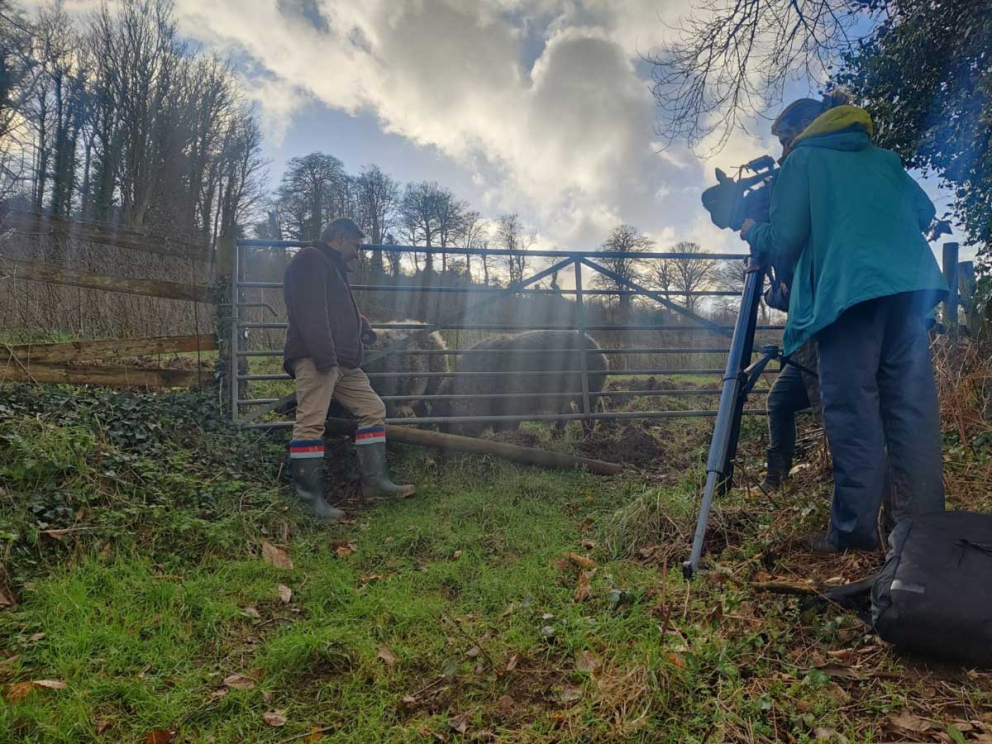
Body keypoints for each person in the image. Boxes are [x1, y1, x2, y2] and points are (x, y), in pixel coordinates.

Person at [741, 92, 947, 553]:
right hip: (909, 293)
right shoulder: (886, 159)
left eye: (785, 139)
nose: (783, 151)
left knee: (854, 415)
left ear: (804, 131)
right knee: (911, 415)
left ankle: (854, 538)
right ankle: (920, 536)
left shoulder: (806, 161)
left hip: (848, 298)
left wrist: (751, 229)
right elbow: (923, 212)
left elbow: (785, 238)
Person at [283, 217, 416, 519]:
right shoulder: (311, 259)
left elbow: (335, 310)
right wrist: (324, 357)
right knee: (311, 422)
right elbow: (311, 311)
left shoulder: (332, 267)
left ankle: (375, 483)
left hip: (342, 362)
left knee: (373, 409)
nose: (359, 252)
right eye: (356, 245)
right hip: (319, 358)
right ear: (340, 238)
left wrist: (361, 328)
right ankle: (311, 502)